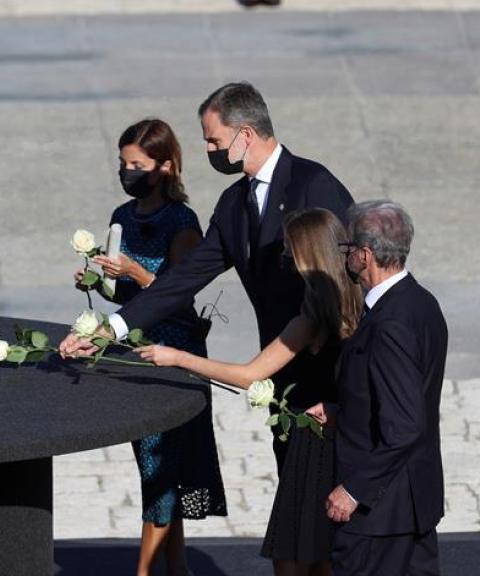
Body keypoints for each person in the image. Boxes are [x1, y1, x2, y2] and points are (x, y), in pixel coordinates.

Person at [60, 81, 354, 472]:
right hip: (280, 372)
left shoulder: (312, 184)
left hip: (331, 368)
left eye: (214, 141)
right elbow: (184, 278)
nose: (208, 150)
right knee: (295, 483)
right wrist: (110, 329)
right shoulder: (234, 204)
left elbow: (348, 276)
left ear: (245, 134)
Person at [138, 208, 361, 576]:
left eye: (291, 253)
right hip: (340, 442)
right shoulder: (356, 308)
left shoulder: (310, 319)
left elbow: (249, 375)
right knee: (323, 556)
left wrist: (178, 357)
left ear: (308, 257)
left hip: (315, 444)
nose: (285, 262)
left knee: (293, 556)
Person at [79, 118, 227, 576]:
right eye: (123, 164)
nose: (127, 172)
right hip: (134, 353)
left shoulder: (181, 222)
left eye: (137, 164)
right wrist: (97, 281)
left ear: (164, 167)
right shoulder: (122, 217)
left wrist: (136, 274)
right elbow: (120, 298)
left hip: (172, 355)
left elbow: (180, 294)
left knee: (161, 464)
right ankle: (176, 567)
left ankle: (145, 571)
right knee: (156, 466)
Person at [314, 201, 446, 576]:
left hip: (380, 516)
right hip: (410, 505)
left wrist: (353, 490)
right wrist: (343, 411)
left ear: (365, 254)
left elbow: (404, 425)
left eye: (348, 249)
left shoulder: (390, 323)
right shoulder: (421, 303)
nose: (345, 257)